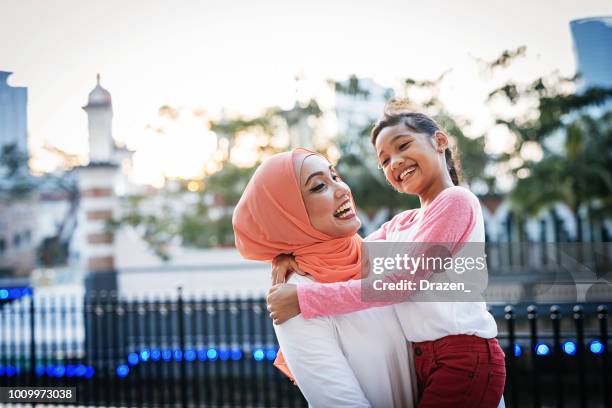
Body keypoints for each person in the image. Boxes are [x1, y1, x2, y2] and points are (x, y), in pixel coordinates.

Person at [267, 99, 506, 408]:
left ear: (440, 141)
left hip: (462, 357)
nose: (395, 162)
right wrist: (292, 254)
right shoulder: (402, 224)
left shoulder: (457, 202)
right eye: (384, 160)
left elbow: (400, 282)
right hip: (426, 361)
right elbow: (351, 252)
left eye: (403, 145)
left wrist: (305, 300)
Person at [232, 148, 417, 407]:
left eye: (335, 176)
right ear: (288, 215)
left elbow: (465, 281)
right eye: (319, 186)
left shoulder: (380, 254)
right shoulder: (294, 299)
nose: (343, 189)